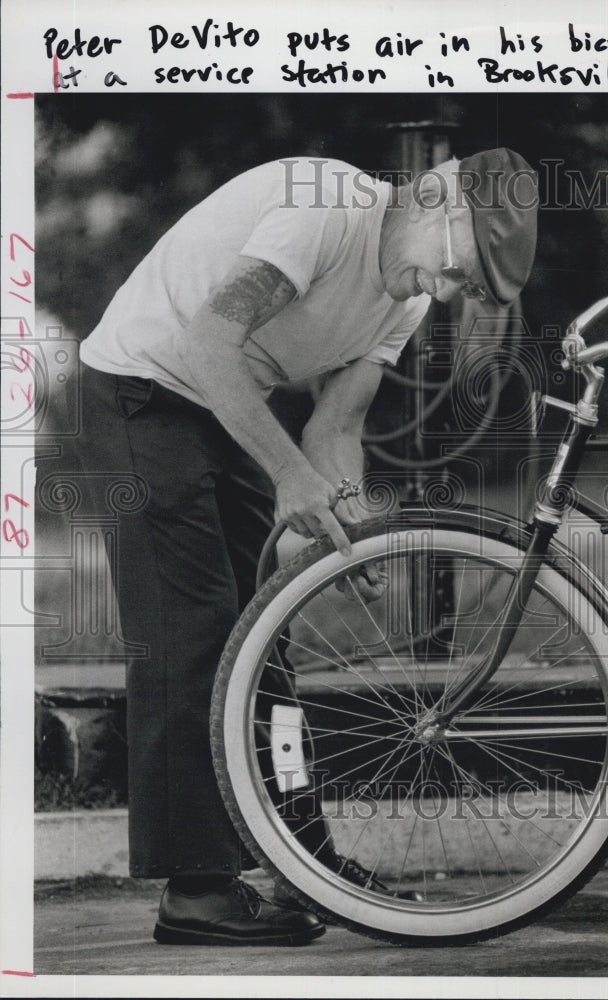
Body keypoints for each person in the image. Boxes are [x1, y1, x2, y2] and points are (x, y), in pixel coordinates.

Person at [75, 147, 538, 946]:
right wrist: (289, 477)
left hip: (221, 407)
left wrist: (350, 535)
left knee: (265, 640)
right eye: (458, 271)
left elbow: (336, 426)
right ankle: (197, 892)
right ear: (434, 198)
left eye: (466, 290)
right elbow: (205, 347)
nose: (448, 293)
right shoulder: (322, 205)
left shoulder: (407, 300)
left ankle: (299, 857)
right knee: (196, 635)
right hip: (141, 392)